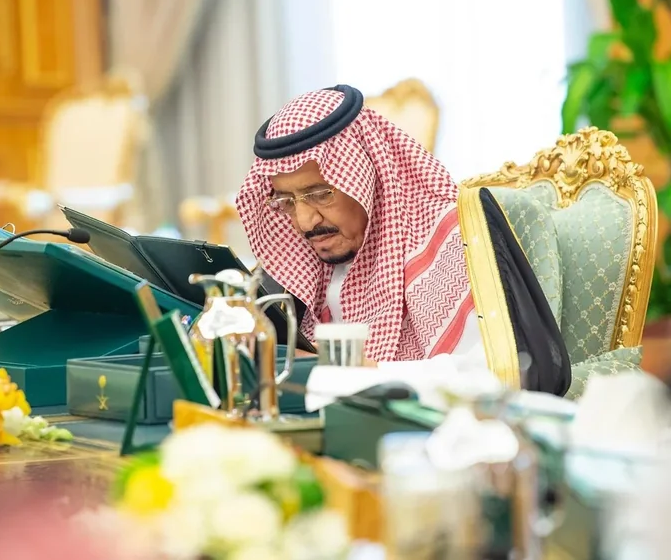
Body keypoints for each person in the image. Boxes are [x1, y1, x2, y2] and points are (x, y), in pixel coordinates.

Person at [236, 85, 570, 395]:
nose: (304, 221)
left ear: (364, 177)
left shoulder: (449, 239)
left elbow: (503, 373)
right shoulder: (301, 257)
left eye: (321, 194)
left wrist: (360, 372)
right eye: (286, 202)